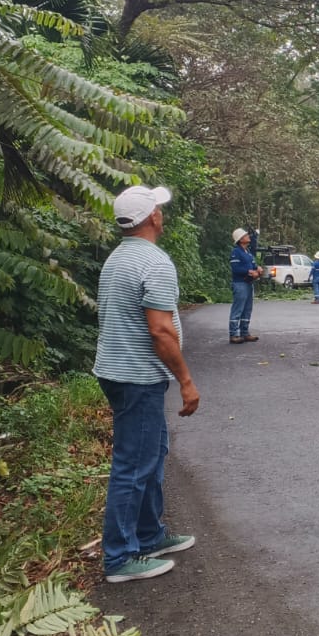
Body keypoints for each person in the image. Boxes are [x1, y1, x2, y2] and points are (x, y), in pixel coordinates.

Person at [93, 184, 199, 584]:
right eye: (158, 208)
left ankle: (150, 535)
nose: (161, 213)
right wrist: (185, 380)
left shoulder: (118, 258)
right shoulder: (154, 262)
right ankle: (119, 557)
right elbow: (161, 331)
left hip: (120, 372)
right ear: (152, 217)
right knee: (133, 465)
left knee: (151, 454)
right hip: (136, 377)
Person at [229, 227, 261, 344]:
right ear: (241, 239)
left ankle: (244, 332)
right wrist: (249, 272)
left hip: (248, 283)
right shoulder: (236, 252)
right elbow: (236, 268)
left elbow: (253, 265)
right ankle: (234, 334)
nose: (248, 236)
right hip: (240, 283)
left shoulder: (248, 253)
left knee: (247, 309)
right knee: (238, 309)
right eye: (246, 235)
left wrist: (258, 268)